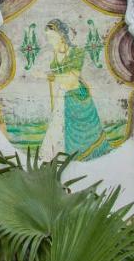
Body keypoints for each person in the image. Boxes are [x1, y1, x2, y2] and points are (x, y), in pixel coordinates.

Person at [38, 18, 111, 161]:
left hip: (77, 97)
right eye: (48, 38)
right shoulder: (54, 56)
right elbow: (56, 83)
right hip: (62, 97)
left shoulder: (77, 52)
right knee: (57, 131)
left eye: (52, 37)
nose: (50, 41)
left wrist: (52, 76)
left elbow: (72, 78)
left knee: (83, 136)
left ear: (61, 35)